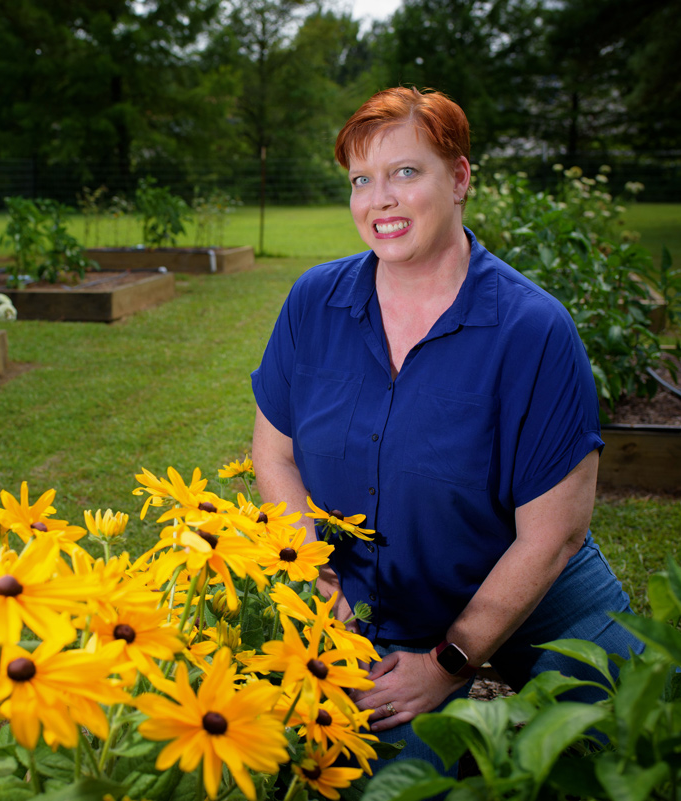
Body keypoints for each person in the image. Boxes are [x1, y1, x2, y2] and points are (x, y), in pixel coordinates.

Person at [250, 86, 642, 772]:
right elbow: (275, 454)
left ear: (459, 178)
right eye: (361, 181)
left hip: (541, 591)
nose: (381, 200)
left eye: (406, 172)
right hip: (385, 605)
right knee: (389, 780)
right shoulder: (315, 302)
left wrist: (452, 662)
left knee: (641, 742)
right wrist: (308, 573)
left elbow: (555, 533)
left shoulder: (531, 329)